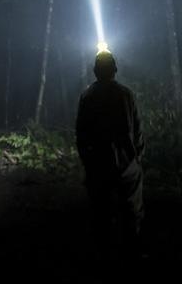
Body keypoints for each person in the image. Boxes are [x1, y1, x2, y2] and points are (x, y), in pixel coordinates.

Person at [75, 49, 145, 260]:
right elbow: (138, 129)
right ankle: (132, 252)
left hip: (98, 164)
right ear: (115, 69)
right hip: (126, 163)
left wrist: (87, 161)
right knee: (132, 209)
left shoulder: (87, 96)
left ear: (95, 71)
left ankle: (103, 253)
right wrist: (137, 157)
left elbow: (81, 133)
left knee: (101, 210)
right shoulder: (126, 94)